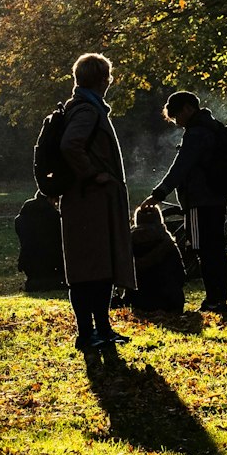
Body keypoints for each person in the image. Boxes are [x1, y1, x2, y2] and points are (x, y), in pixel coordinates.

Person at [59, 52, 137, 350]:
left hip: (85, 201)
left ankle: (99, 330)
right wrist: (93, 175)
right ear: (103, 80)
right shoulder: (87, 111)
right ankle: (90, 332)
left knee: (90, 270)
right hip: (89, 201)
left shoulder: (80, 107)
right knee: (94, 269)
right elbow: (71, 145)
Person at [139, 91, 227, 314]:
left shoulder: (196, 133)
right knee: (217, 248)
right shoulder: (213, 127)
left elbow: (181, 167)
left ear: (188, 109)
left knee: (204, 249)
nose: (177, 122)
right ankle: (220, 298)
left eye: (177, 116)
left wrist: (158, 194)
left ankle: (213, 299)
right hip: (217, 197)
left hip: (199, 201)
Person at [127, 205, 186, 313]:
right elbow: (181, 276)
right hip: (170, 303)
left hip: (140, 303)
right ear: (159, 218)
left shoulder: (128, 244)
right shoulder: (167, 242)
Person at [14, 190, 64, 290]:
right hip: (52, 266)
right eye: (55, 202)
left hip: (30, 266)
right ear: (50, 199)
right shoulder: (54, 217)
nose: (56, 205)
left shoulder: (21, 218)